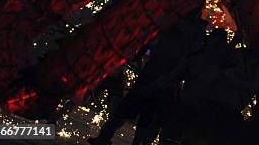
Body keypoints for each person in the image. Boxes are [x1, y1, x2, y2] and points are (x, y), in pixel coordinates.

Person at [87, 14, 207, 145]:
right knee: (145, 117)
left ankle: (105, 138)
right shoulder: (191, 34)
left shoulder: (174, 26)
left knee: (134, 112)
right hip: (162, 79)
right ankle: (116, 139)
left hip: (156, 76)